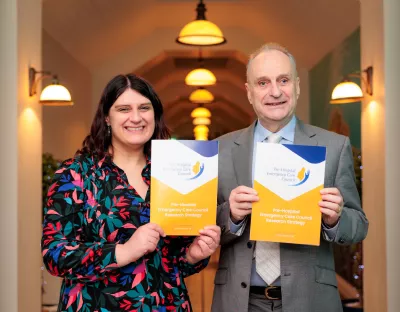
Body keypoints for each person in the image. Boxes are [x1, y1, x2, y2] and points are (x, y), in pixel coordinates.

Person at [41, 74, 221, 312]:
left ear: (155, 115)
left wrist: (192, 255)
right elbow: (55, 254)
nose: (136, 117)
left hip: (166, 305)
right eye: (124, 109)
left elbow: (172, 262)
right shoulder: (76, 174)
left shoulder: (175, 172)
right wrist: (122, 251)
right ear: (107, 116)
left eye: (144, 108)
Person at [211, 43, 368, 312]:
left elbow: (359, 225)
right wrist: (231, 215)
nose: (274, 91)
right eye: (263, 82)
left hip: (311, 299)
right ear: (249, 93)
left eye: (283, 80)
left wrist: (335, 219)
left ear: (296, 86)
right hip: (240, 302)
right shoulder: (221, 149)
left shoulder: (333, 146)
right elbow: (201, 225)